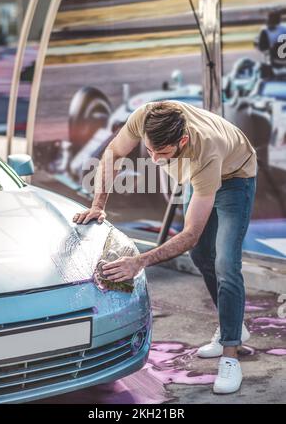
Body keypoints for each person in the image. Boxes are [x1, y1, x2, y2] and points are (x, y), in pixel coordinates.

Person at [73, 100, 257, 394]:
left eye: (164, 153)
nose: (156, 160)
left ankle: (231, 353)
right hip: (197, 178)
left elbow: (190, 234)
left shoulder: (205, 150)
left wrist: (139, 261)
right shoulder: (146, 117)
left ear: (182, 140)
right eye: (150, 151)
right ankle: (232, 323)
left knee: (226, 263)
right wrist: (98, 205)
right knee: (201, 256)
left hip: (234, 176)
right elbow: (114, 153)